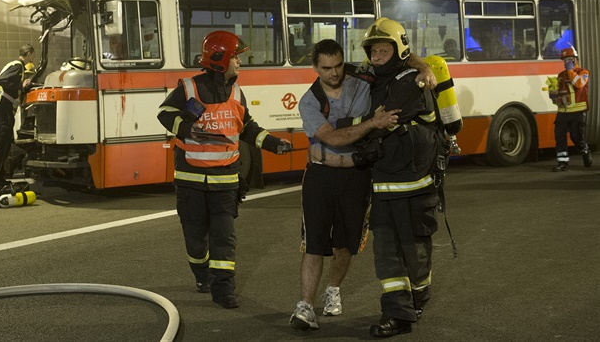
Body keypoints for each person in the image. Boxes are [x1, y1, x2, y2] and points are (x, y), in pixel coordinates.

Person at [289, 39, 437, 331]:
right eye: (326, 68)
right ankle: (305, 306)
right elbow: (332, 137)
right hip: (321, 175)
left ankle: (333, 290)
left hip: (357, 176)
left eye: (338, 66)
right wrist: (373, 123)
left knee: (347, 242)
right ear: (315, 68)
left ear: (345, 62)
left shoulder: (360, 75)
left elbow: (395, 59)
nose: (334, 73)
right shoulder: (309, 100)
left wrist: (424, 67)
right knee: (315, 243)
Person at [157, 30, 291, 309]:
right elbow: (164, 113)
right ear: (220, 59)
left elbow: (248, 129)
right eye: (235, 58)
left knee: (224, 237)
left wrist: (274, 144)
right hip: (191, 181)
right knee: (195, 241)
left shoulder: (238, 93)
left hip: (226, 179)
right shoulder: (189, 88)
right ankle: (202, 274)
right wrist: (186, 127)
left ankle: (224, 290)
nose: (240, 63)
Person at [359, 18, 441, 338]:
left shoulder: (410, 82)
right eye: (373, 51)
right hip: (383, 185)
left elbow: (380, 120)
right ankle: (397, 313)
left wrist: (360, 128)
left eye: (383, 50)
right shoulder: (373, 78)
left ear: (399, 49)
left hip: (414, 185)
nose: (377, 56)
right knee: (386, 252)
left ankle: (419, 296)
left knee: (415, 250)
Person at [0, 44, 35, 185]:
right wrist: (21, 86)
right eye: (32, 55)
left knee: (3, 143)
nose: (33, 58)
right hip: (0, 108)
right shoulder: (17, 65)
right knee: (1, 143)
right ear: (29, 54)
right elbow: (3, 81)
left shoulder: (15, 65)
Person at [548, 46, 592, 172]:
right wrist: (553, 93)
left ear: (574, 59)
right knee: (559, 136)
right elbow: (558, 94)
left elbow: (579, 84)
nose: (565, 62)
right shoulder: (560, 75)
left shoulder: (583, 72)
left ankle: (585, 150)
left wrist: (571, 71)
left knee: (576, 137)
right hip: (562, 112)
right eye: (564, 60)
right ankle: (562, 163)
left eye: (568, 59)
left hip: (577, 112)